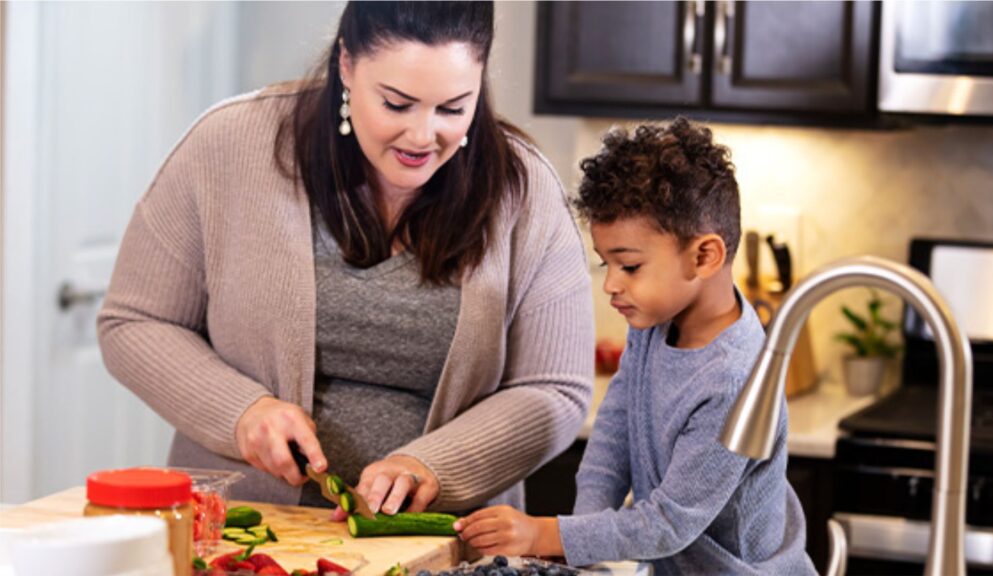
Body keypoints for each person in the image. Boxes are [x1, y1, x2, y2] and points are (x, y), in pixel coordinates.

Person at [97, 1, 594, 515]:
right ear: (347, 66)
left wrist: (435, 466)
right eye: (397, 104)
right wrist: (242, 412)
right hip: (247, 534)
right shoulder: (228, 143)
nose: (423, 136)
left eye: (452, 108)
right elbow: (135, 321)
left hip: (444, 548)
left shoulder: (524, 188)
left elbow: (554, 388)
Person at [455, 117, 816, 575]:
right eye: (606, 264)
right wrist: (578, 542)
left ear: (704, 256)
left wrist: (547, 533)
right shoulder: (655, 322)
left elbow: (669, 523)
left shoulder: (732, 378)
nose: (610, 285)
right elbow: (615, 432)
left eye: (629, 266)